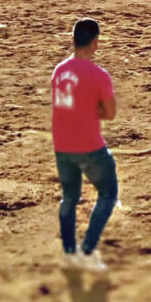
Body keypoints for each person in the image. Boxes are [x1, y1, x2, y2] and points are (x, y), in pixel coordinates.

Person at [51, 18, 118, 272]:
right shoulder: (99, 75)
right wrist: (93, 109)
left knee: (69, 197)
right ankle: (88, 251)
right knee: (109, 193)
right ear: (95, 43)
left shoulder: (59, 70)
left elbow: (65, 107)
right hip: (89, 145)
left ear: (73, 40)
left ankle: (69, 253)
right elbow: (110, 113)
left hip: (62, 145)